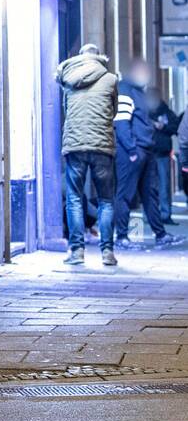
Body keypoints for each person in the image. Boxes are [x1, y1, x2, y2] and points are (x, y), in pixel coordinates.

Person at [55, 44, 119, 266]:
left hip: (75, 146)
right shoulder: (110, 78)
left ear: (80, 58)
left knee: (74, 199)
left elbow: (66, 109)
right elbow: (113, 111)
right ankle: (107, 253)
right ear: (99, 57)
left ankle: (77, 251)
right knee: (106, 200)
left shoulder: (68, 78)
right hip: (102, 145)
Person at [114, 59, 178, 249]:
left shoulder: (138, 91)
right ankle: (122, 237)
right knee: (125, 194)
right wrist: (132, 149)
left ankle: (161, 234)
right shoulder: (125, 89)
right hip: (133, 151)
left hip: (145, 149)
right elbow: (122, 121)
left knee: (150, 194)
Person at [148, 87, 180, 226]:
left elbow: (176, 127)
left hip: (163, 154)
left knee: (164, 186)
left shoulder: (166, 111)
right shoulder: (144, 111)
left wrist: (164, 127)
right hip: (148, 154)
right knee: (148, 187)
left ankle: (165, 214)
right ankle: (150, 215)